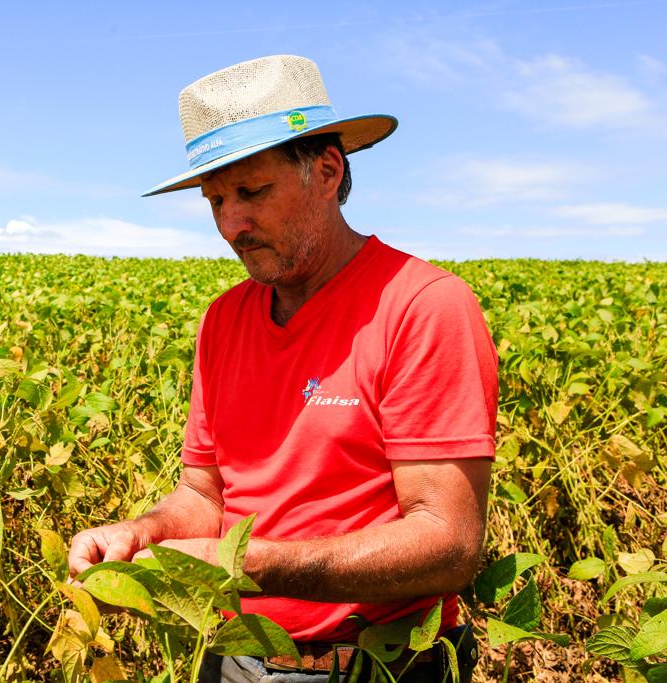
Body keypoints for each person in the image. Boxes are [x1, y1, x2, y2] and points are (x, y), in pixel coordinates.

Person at [69, 55, 498, 682]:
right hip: (235, 658)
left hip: (378, 665)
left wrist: (248, 564)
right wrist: (143, 536)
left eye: (252, 192)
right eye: (215, 200)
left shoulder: (421, 307)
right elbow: (203, 495)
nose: (231, 225)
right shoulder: (224, 319)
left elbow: (448, 543)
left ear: (327, 171)